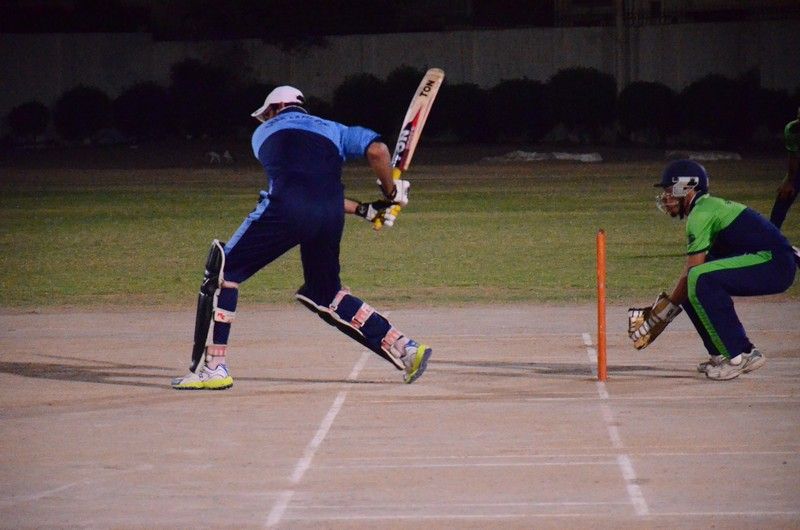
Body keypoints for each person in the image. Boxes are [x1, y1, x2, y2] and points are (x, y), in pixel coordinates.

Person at [172, 86, 432, 390]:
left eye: (266, 114)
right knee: (325, 293)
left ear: (274, 110)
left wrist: (375, 203)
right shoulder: (336, 130)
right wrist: (386, 195)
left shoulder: (263, 133)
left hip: (286, 209)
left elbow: (298, 189)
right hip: (329, 215)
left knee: (223, 273)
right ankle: (406, 348)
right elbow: (378, 153)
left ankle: (214, 368)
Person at [631, 159, 796, 380]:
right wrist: (667, 309)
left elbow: (695, 272)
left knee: (700, 279)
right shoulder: (705, 208)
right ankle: (720, 354)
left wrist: (661, 316)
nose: (666, 197)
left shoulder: (700, 214)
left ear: (687, 187)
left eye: (670, 190)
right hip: (771, 261)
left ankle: (743, 353)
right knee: (693, 285)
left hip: (775, 264)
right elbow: (690, 275)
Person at [769, 107, 800, 228]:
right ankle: (772, 233)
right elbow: (793, 158)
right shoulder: (792, 129)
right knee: (784, 195)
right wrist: (789, 182)